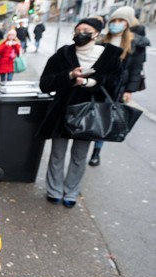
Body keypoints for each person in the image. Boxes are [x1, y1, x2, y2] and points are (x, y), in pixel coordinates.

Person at [37, 18, 122, 208]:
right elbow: (45, 83)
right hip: (62, 113)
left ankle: (71, 192)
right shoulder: (63, 55)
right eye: (78, 29)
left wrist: (90, 83)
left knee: (79, 155)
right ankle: (54, 190)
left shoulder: (109, 57)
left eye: (86, 29)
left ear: (96, 33)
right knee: (57, 154)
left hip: (91, 114)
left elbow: (116, 84)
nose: (81, 33)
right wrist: (69, 76)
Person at [88, 6, 151, 166]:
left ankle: (97, 151)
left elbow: (136, 69)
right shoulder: (102, 39)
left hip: (118, 88)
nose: (116, 23)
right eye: (114, 20)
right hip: (98, 84)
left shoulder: (136, 42)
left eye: (120, 21)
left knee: (107, 118)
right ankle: (84, 144)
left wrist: (129, 90)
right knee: (90, 114)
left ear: (127, 23)